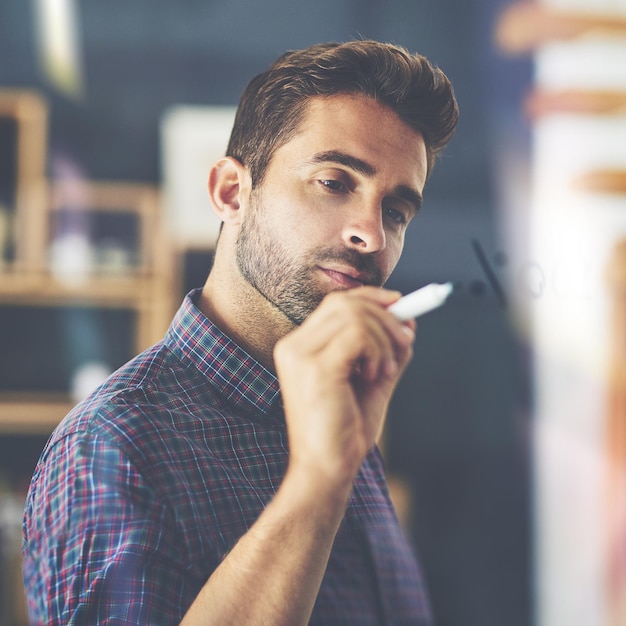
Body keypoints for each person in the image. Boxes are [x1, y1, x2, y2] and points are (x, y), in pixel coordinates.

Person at [22, 40, 458, 625]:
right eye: (334, 182)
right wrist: (316, 483)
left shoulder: (341, 411)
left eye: (397, 211)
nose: (372, 235)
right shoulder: (112, 445)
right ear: (231, 191)